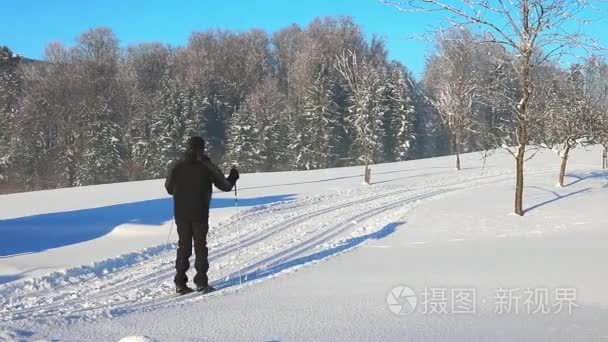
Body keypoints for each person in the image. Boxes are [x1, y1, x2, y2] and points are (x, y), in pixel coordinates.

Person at [165, 136, 239, 294]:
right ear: (202, 148)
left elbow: (169, 188)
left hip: (181, 213)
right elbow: (225, 186)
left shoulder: (176, 165)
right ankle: (201, 283)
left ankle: (180, 284)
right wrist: (233, 176)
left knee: (183, 247)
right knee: (200, 246)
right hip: (200, 212)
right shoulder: (206, 165)